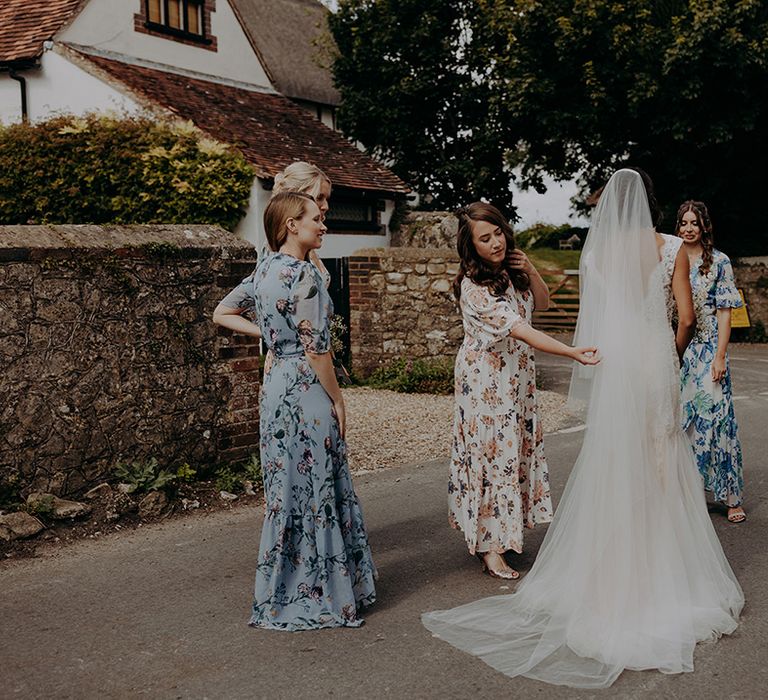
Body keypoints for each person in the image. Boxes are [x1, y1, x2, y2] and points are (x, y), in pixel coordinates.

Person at [423, 170, 743, 688]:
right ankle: (661, 569)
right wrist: (672, 350)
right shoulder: (670, 248)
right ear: (652, 205)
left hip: (617, 366)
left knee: (615, 458)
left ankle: (611, 571)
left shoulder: (597, 255)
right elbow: (685, 316)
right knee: (662, 457)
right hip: (654, 360)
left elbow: (590, 316)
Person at [213, 192, 376, 630]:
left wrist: (267, 336)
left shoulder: (264, 268)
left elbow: (222, 311)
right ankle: (325, 593)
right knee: (319, 483)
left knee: (285, 486)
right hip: (306, 386)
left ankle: (279, 591)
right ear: (291, 225)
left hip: (275, 385)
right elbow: (318, 350)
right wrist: (339, 399)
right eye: (315, 220)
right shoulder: (305, 277)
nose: (323, 225)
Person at [448, 202, 600, 580]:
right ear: (471, 247)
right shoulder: (474, 288)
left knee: (514, 450)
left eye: (498, 232)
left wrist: (528, 268)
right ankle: (489, 547)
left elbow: (543, 303)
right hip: (486, 382)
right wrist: (570, 352)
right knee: (491, 455)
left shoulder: (510, 273)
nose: (496, 242)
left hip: (517, 378)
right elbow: (520, 329)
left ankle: (504, 533)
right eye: (485, 239)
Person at [677, 200, 746, 523]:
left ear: (704, 226)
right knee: (682, 422)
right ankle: (687, 493)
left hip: (708, 350)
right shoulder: (672, 260)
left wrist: (720, 356)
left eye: (694, 222)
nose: (688, 228)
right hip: (680, 351)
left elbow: (724, 313)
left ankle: (731, 497)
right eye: (683, 223)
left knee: (717, 421)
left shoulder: (719, 262)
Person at [272, 161, 332, 288]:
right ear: (295, 195)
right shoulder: (277, 254)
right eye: (319, 197)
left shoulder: (306, 245)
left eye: (327, 198)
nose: (326, 206)